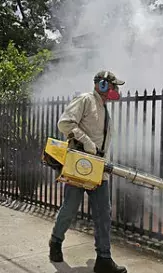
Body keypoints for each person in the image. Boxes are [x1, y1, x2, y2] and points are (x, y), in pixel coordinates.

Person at [48, 70, 127, 273]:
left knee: (103, 213)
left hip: (98, 168)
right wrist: (86, 141)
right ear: (102, 85)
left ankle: (103, 259)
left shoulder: (105, 110)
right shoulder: (85, 100)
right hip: (79, 163)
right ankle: (55, 242)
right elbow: (65, 123)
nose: (115, 90)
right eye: (112, 86)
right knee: (70, 207)